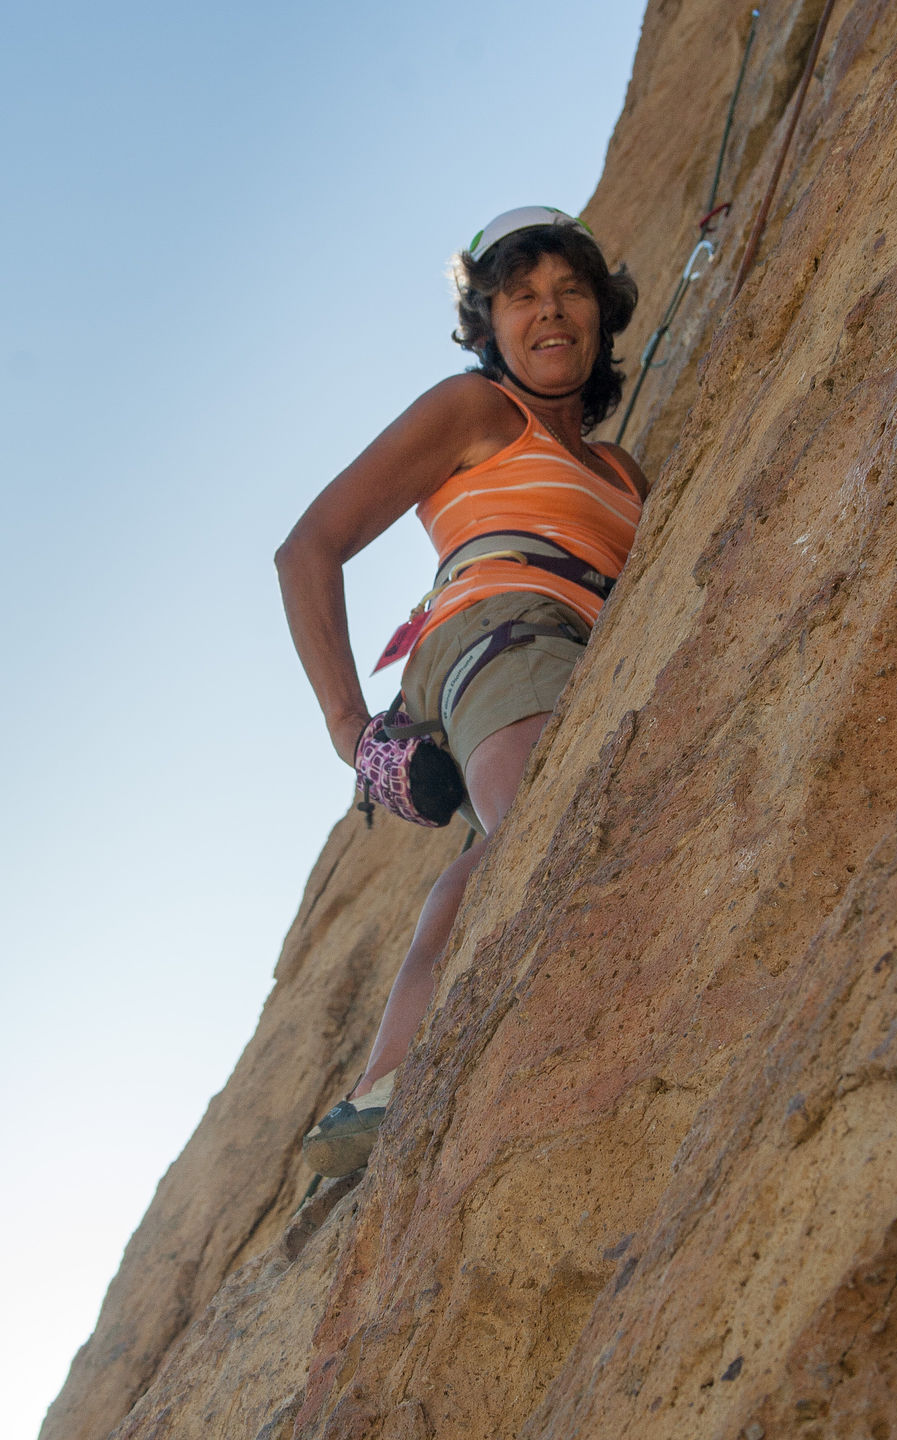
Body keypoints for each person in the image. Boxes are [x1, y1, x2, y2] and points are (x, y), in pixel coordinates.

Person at [275, 207, 649, 1176]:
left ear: (603, 314)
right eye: (519, 297)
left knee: (496, 848)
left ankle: (379, 1084)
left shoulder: (622, 471)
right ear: (487, 328)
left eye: (570, 289)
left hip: (574, 650)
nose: (549, 312)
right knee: (544, 817)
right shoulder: (477, 412)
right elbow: (307, 547)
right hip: (501, 636)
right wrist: (352, 733)